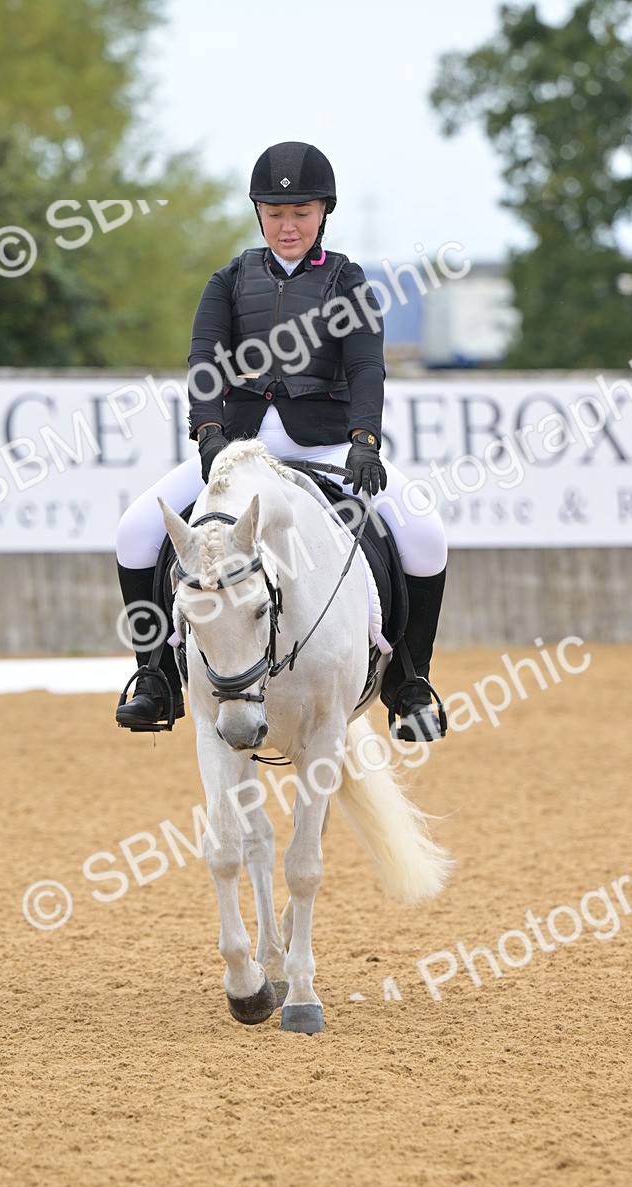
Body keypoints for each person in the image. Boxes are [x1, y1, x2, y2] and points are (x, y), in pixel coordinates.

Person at [114, 141, 447, 740]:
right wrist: (209, 432)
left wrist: (364, 439)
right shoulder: (226, 281)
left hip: (324, 440)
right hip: (240, 446)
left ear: (324, 212)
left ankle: (411, 682)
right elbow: (204, 361)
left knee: (425, 536)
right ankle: (156, 675)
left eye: (300, 212)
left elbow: (367, 366)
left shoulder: (349, 282)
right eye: (275, 212)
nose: (287, 225)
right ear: (259, 213)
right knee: (137, 531)